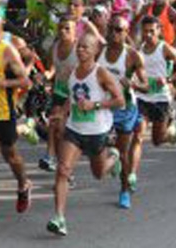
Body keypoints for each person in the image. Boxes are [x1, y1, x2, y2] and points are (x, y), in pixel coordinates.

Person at [46, 34, 125, 236]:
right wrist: (61, 114)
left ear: (95, 50)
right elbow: (71, 98)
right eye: (79, 47)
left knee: (98, 174)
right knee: (63, 170)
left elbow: (120, 101)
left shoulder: (102, 74)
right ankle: (59, 218)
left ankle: (114, 158)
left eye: (85, 48)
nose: (80, 50)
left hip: (97, 132)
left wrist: (95, 105)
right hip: (74, 130)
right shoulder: (73, 72)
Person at [0, 7, 32, 215]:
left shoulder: (7, 50)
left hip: (3, 112)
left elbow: (26, 81)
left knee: (11, 156)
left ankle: (23, 185)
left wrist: (2, 82)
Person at [98, 16, 148, 209]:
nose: (113, 33)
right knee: (98, 147)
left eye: (118, 30)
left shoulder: (133, 56)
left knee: (124, 152)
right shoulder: (99, 51)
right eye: (110, 29)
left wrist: (133, 84)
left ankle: (124, 190)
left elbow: (145, 86)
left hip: (125, 109)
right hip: (103, 106)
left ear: (126, 32)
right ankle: (114, 158)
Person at [137, 16, 176, 149]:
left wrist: (168, 79)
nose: (148, 35)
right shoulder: (140, 47)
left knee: (157, 140)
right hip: (142, 96)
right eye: (145, 31)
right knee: (138, 134)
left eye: (151, 31)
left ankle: (172, 129)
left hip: (160, 98)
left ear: (159, 31)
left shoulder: (164, 48)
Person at [39, 17, 78, 173]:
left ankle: (65, 167)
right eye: (61, 28)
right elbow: (53, 67)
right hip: (60, 90)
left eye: (67, 28)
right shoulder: (54, 47)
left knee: (61, 128)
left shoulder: (79, 49)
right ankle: (51, 157)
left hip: (76, 93)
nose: (63, 31)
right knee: (55, 122)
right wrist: (46, 75)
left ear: (75, 31)